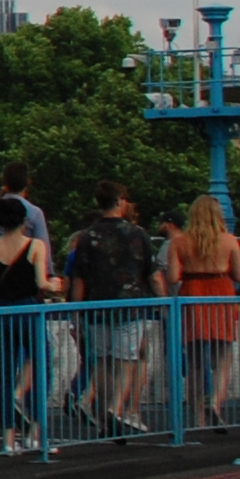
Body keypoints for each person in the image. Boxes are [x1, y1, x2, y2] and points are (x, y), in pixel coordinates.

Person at [64, 181, 159, 435]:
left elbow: (79, 279)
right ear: (119, 201)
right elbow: (152, 273)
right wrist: (164, 301)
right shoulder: (137, 234)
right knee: (126, 360)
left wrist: (76, 313)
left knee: (102, 361)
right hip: (129, 307)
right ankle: (116, 408)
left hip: (96, 307)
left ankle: (104, 411)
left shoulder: (87, 237)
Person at [0, 195, 57, 454]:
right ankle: (36, 434)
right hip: (28, 310)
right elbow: (41, 283)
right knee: (41, 366)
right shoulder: (35, 246)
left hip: (1, 312)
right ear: (24, 220)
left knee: (5, 374)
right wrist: (54, 286)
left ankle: (9, 440)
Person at [172, 195, 240, 426]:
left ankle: (198, 417)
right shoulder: (229, 240)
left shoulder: (179, 242)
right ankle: (215, 402)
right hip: (221, 292)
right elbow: (239, 275)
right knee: (223, 355)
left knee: (194, 360)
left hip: (192, 293)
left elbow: (172, 277)